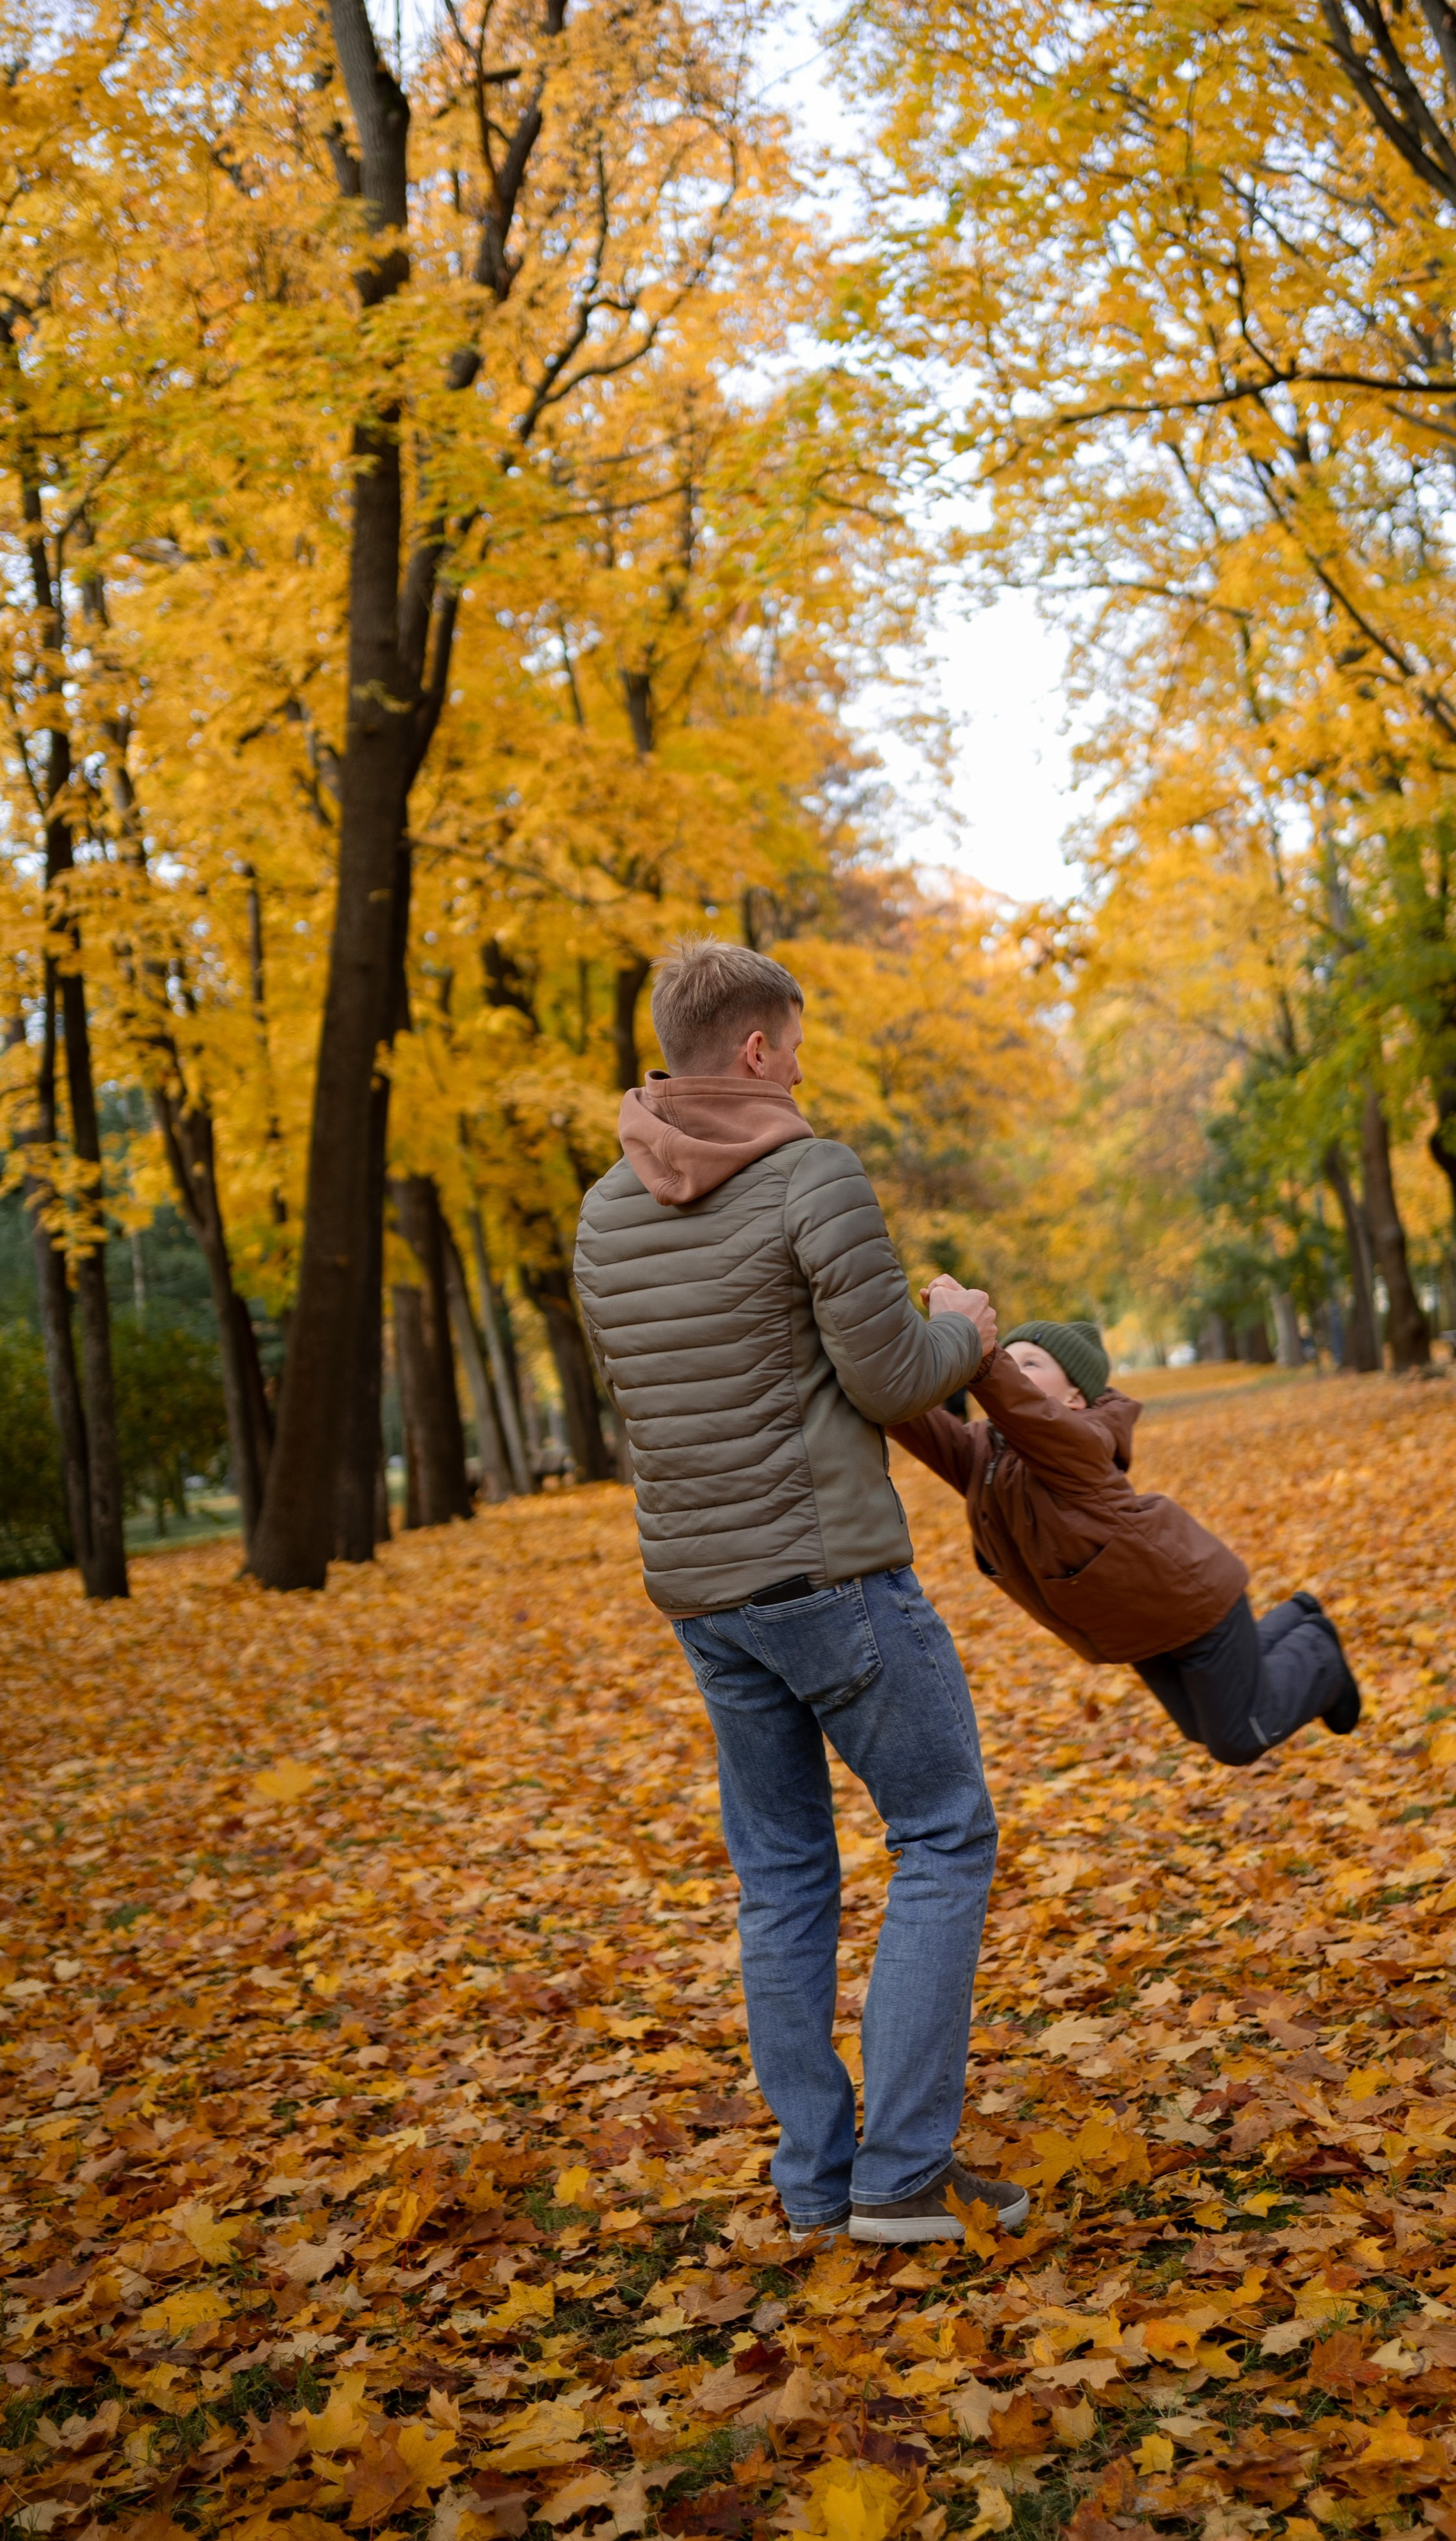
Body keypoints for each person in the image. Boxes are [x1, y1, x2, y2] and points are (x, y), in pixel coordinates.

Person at [573, 938, 1031, 2248]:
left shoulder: (606, 1212)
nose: (802, 1076)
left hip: (706, 1597)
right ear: (758, 1048)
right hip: (830, 1577)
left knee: (781, 1881)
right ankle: (901, 2178)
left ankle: (818, 2185)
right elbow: (892, 1378)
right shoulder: (811, 1175)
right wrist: (968, 1328)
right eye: (798, 1052)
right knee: (944, 1833)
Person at [889, 1318, 1360, 1765]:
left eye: (1028, 1362)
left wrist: (984, 1356)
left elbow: (1032, 1417)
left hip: (1190, 1606)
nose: (1012, 1368)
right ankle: (1297, 1614)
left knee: (1238, 1737)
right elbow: (902, 1406)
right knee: (1202, 1727)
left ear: (1075, 1396)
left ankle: (1318, 1651)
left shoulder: (1080, 1442)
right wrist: (864, 1349)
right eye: (1008, 1359)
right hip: (1135, 1630)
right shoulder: (980, 1454)